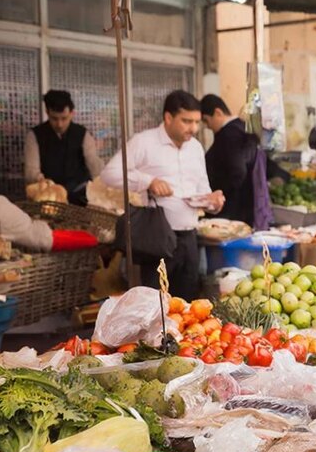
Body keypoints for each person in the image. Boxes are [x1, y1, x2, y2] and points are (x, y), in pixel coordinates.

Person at [101, 90, 224, 301]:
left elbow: (202, 186)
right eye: (186, 121)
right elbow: (109, 174)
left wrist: (212, 202)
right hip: (157, 237)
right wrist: (148, 181)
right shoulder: (144, 142)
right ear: (168, 117)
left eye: (196, 122)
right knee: (156, 304)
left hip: (190, 237)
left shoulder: (195, 147)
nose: (193, 128)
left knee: (188, 304)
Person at [200, 94, 271, 229]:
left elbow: (237, 171)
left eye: (206, 120)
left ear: (218, 112)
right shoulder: (244, 129)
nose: (207, 126)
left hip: (230, 213)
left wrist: (221, 197)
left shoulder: (229, 135)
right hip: (247, 208)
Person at [23, 90, 104, 206]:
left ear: (72, 113)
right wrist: (47, 185)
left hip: (79, 195)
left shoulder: (83, 134)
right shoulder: (34, 136)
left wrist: (102, 186)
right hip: (49, 199)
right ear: (47, 112)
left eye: (64, 118)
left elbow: (94, 163)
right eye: (54, 118)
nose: (59, 124)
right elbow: (31, 171)